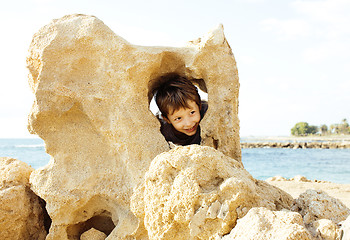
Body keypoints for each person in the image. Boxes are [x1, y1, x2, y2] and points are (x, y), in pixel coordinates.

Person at [154, 73, 208, 146]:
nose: (188, 124)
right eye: (178, 118)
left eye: (192, 113)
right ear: (167, 119)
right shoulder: (163, 130)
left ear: (199, 106)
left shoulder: (207, 114)